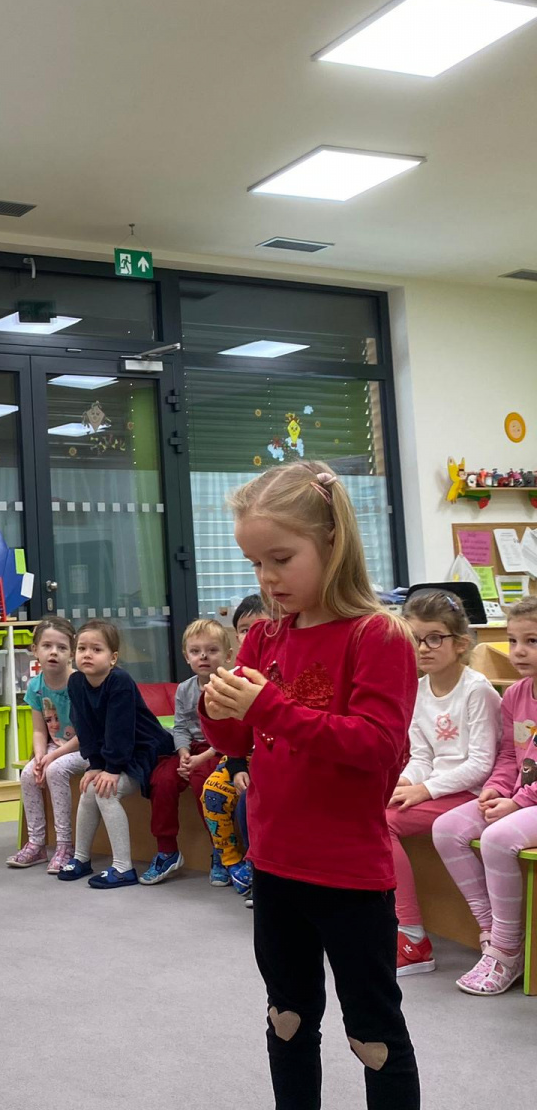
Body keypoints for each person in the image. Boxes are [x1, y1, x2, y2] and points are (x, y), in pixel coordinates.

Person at [202, 460, 420, 1110]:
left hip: (350, 875)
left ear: (333, 542)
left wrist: (267, 707)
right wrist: (220, 710)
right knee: (287, 1018)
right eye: (255, 564)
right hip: (275, 865)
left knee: (372, 1035)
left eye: (281, 558)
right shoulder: (264, 638)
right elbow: (238, 743)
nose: (267, 579)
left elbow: (376, 747)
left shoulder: (378, 635)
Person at [388, 589, 501, 976]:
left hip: (471, 793)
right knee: (373, 812)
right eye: (416, 638)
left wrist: (423, 790)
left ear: (461, 644)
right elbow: (422, 757)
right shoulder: (418, 690)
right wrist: (400, 783)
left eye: (434, 638)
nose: (423, 648)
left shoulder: (477, 689)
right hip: (439, 789)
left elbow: (482, 765)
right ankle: (401, 927)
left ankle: (411, 936)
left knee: (382, 823)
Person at [431, 596, 537, 996]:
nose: (518, 651)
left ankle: (507, 951)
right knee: (446, 828)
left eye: (532, 641)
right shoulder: (515, 695)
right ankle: (494, 932)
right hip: (520, 796)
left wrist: (517, 802)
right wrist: (496, 787)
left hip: (529, 802)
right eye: (513, 640)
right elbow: (510, 755)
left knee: (497, 838)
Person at [57, 620, 174, 888]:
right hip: (115, 754)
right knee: (89, 789)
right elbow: (84, 727)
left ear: (113, 658)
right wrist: (95, 765)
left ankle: (123, 868)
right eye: (82, 648)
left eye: (96, 649)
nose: (87, 654)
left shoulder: (119, 681)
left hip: (146, 750)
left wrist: (111, 768)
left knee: (104, 792)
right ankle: (81, 858)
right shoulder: (76, 682)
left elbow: (120, 729)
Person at [144, 618, 229, 887]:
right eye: (195, 651)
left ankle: (221, 851)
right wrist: (182, 754)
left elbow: (232, 734)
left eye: (212, 650)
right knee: (162, 779)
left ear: (227, 655)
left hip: (217, 751)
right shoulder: (184, 689)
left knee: (203, 783)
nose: (203, 656)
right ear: (186, 656)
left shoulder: (230, 686)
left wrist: (200, 759)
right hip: (190, 750)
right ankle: (167, 850)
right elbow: (180, 726)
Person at [6, 616, 88, 872]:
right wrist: (40, 757)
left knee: (55, 770)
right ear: (35, 650)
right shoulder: (36, 686)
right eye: (47, 646)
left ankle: (65, 845)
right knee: (28, 773)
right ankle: (37, 843)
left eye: (62, 648)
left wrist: (52, 758)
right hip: (55, 748)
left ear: (71, 653)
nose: (54, 652)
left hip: (84, 748)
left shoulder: (80, 684)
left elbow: (86, 734)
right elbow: (39, 730)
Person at [231, 593, 270, 907]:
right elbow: (234, 737)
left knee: (251, 800)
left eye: (260, 628)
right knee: (225, 794)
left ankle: (259, 868)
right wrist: (237, 767)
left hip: (274, 764)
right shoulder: (236, 675)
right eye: (245, 630)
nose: (252, 636)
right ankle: (247, 863)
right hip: (245, 763)